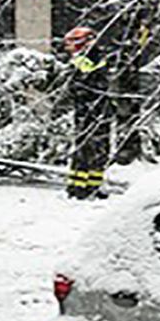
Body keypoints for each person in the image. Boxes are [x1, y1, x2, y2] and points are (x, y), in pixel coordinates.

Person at [64, 26, 111, 200]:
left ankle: (85, 188)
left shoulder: (88, 59)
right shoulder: (90, 58)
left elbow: (79, 85)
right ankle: (81, 187)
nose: (69, 47)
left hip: (93, 111)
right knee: (89, 150)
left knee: (90, 150)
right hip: (90, 111)